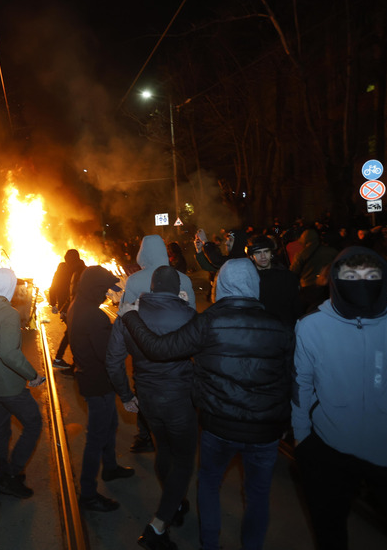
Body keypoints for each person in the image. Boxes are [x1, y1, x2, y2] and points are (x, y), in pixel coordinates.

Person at [124, 259, 295, 550]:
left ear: (221, 286)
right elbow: (290, 378)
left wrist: (131, 316)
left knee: (210, 486)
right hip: (265, 430)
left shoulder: (208, 322)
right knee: (257, 495)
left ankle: (210, 545)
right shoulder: (281, 326)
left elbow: (159, 349)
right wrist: (287, 423)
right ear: (255, 285)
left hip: (219, 426)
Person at [292, 246, 387, 550]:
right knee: (330, 533)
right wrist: (301, 437)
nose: (361, 283)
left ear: (383, 277)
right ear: (335, 280)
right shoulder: (311, 326)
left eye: (370, 275)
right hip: (330, 445)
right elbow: (301, 384)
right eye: (351, 276)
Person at [108, 265, 197, 550]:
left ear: (153, 286)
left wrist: (126, 395)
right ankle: (157, 527)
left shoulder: (128, 314)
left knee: (164, 450)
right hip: (180, 399)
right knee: (183, 459)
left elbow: (113, 362)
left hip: (147, 398)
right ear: (178, 288)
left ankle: (175, 503)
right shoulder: (188, 315)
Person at [118, 234, 196, 454]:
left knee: (144, 391)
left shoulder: (134, 280)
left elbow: (125, 315)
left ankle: (146, 436)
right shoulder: (182, 278)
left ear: (143, 253)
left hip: (144, 347)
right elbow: (193, 314)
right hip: (177, 347)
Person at [0, 267, 46, 499]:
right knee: (33, 424)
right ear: (9, 287)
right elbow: (9, 353)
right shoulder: (8, 314)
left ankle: (4, 475)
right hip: (8, 386)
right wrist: (32, 375)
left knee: (1, 431)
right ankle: (12, 474)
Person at [67, 266, 135, 512]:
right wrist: (124, 324)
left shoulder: (77, 305)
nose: (107, 294)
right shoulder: (93, 315)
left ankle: (110, 467)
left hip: (90, 378)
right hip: (98, 383)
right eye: (105, 289)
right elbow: (110, 356)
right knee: (96, 437)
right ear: (94, 288)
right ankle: (88, 493)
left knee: (110, 424)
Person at [246, 235, 303, 328]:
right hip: (261, 329)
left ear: (271, 253)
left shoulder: (287, 276)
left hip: (286, 328)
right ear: (252, 256)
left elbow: (296, 305)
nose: (263, 256)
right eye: (258, 252)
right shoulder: (248, 280)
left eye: (266, 251)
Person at [49, 249, 86, 369]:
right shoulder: (82, 269)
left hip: (68, 306)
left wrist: (54, 304)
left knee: (72, 333)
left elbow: (53, 287)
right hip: (75, 306)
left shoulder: (63, 269)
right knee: (73, 333)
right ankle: (73, 362)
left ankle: (62, 359)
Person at [290, 228, 337, 313]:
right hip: (328, 287)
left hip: (307, 289)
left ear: (304, 240)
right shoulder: (332, 251)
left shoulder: (300, 255)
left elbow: (293, 273)